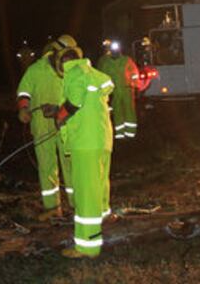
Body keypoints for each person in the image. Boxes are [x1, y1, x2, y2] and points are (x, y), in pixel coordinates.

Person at [54, 47, 115, 259]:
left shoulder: (74, 73)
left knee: (86, 192)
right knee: (99, 184)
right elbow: (106, 86)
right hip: (102, 139)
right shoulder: (96, 74)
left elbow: (75, 100)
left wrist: (60, 116)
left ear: (64, 63)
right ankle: (102, 219)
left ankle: (87, 246)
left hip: (84, 142)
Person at [16, 34, 80, 221]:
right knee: (46, 166)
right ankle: (53, 207)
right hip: (42, 126)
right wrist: (23, 108)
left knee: (71, 166)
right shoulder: (36, 70)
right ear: (55, 51)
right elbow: (24, 91)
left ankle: (78, 205)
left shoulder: (72, 70)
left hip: (66, 125)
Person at [97, 39, 140, 139]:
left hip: (127, 90)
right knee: (117, 112)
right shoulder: (105, 62)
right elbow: (100, 76)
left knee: (129, 111)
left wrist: (135, 86)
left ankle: (130, 133)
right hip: (113, 92)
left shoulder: (127, 60)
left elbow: (134, 73)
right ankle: (120, 134)